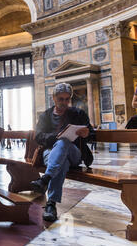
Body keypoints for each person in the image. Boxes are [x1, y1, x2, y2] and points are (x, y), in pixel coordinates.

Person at [30, 82, 94, 222]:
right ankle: (51, 204)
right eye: (61, 99)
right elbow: (38, 136)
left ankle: (45, 179)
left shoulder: (78, 113)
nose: (64, 102)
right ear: (53, 98)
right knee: (62, 161)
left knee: (65, 143)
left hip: (74, 154)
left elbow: (91, 133)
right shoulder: (45, 116)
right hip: (51, 153)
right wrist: (56, 137)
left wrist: (86, 133)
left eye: (67, 99)